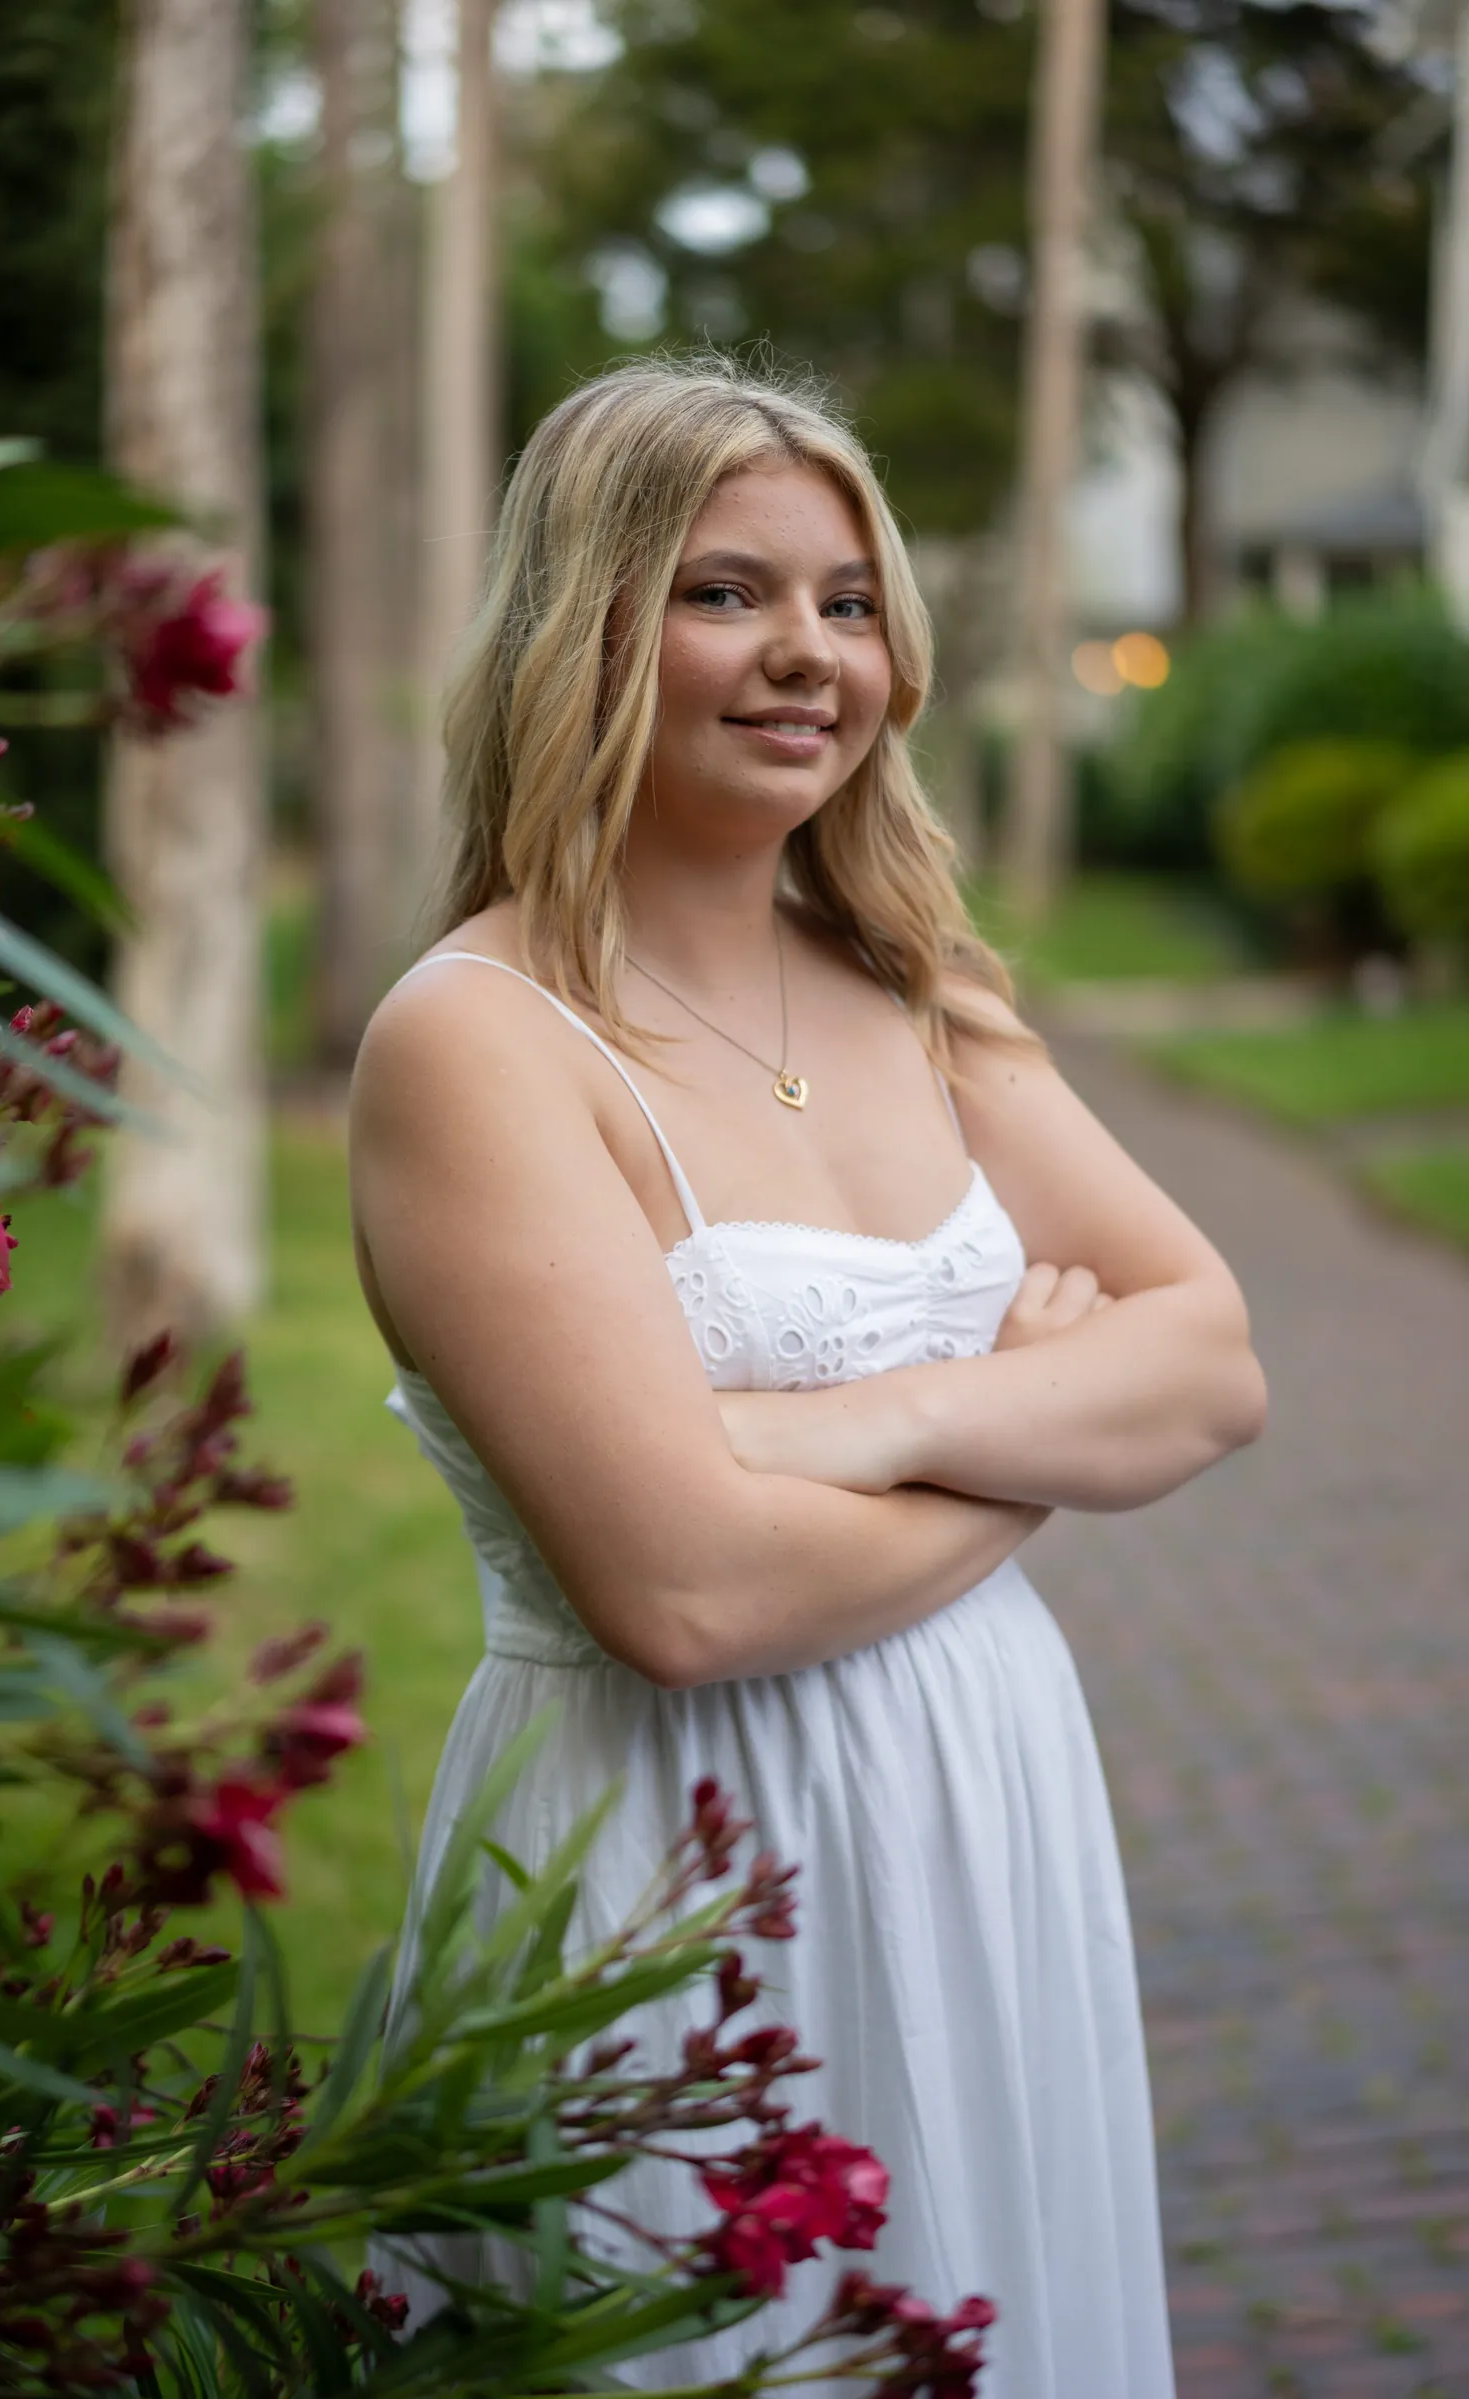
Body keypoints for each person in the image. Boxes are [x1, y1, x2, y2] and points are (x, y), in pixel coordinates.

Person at [349, 356, 1266, 2397]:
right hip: (666, 1862)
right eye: (724, 592)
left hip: (982, 1804)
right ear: (578, 629)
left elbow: (1204, 1360)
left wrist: (873, 1423)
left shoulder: (919, 984)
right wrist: (1039, 1447)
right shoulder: (477, 1041)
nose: (805, 656)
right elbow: (682, 1593)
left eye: (847, 603)